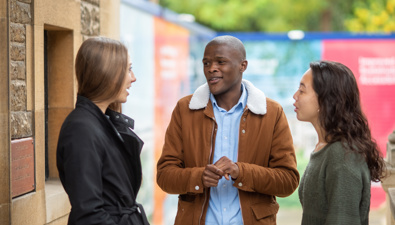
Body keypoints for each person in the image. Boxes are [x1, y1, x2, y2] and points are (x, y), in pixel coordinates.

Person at [156, 35, 299, 225]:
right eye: (206, 63)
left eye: (220, 62)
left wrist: (240, 171)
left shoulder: (272, 113)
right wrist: (199, 176)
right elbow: (165, 175)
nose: (211, 68)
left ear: (243, 65)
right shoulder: (185, 109)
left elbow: (288, 180)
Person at [57, 37, 149, 225]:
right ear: (107, 73)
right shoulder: (81, 130)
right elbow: (88, 214)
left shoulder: (103, 122)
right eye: (128, 69)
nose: (133, 78)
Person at [293, 60, 386, 225]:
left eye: (302, 90)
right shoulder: (325, 148)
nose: (295, 96)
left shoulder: (342, 155)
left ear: (325, 100)